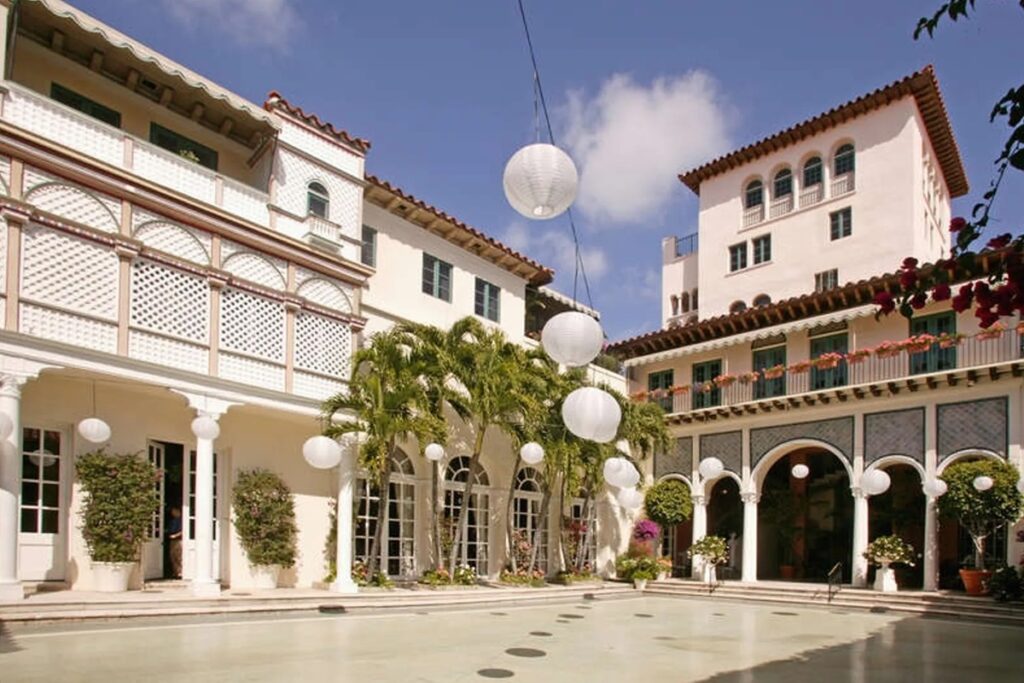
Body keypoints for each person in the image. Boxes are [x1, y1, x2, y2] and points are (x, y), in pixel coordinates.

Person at [167, 507, 183, 579]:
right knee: (172, 556)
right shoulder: (172, 521)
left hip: (178, 540)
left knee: (179, 556)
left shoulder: (182, 520)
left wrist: (175, 535)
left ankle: (180, 573)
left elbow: (184, 530)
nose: (172, 513)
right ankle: (176, 572)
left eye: (174, 511)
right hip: (172, 540)